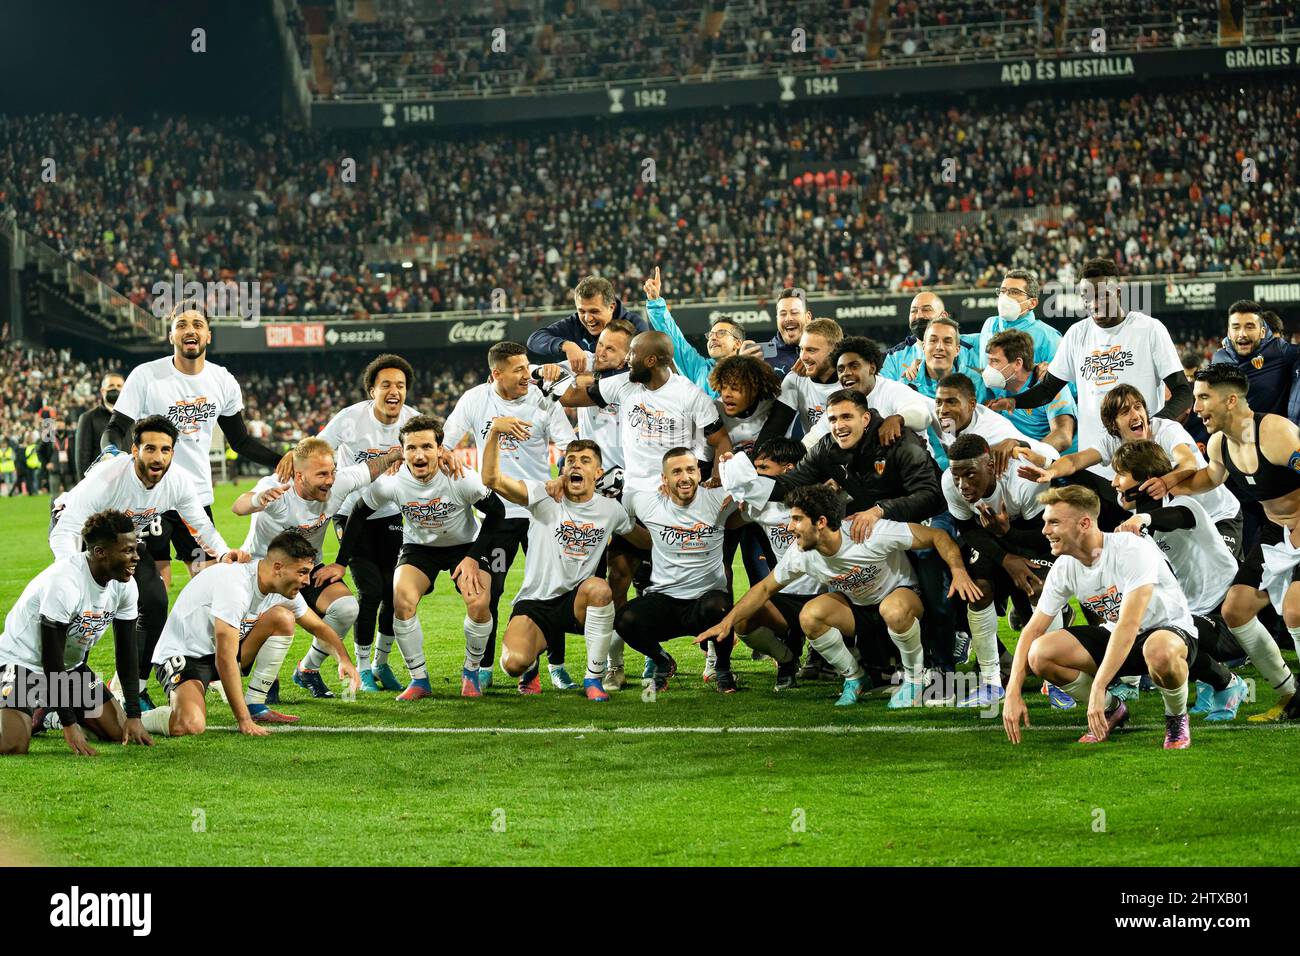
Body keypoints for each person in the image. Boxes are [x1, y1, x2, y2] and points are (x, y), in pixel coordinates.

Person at [696, 483, 981, 708]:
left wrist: (958, 571)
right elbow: (764, 588)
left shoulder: (870, 534)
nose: (789, 526)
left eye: (796, 519)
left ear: (820, 522)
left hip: (901, 598)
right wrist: (727, 623)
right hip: (858, 608)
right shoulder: (801, 554)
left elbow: (936, 536)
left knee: (893, 609)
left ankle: (916, 680)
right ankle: (855, 678)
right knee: (810, 616)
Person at [50, 415, 245, 710]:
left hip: (124, 541)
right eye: (150, 449)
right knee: (82, 613)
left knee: (154, 601)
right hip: (79, 533)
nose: (158, 457)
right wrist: (72, 572)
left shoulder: (177, 481)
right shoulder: (107, 479)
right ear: (134, 450)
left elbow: (200, 526)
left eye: (165, 450)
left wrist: (222, 552)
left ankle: (135, 690)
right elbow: (66, 529)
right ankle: (58, 700)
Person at [1001, 485, 1198, 751]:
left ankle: (1176, 717)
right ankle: (1111, 710)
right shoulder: (1065, 567)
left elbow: (1130, 624)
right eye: (1046, 522)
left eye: (1054, 522)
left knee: (1159, 650)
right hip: (1118, 636)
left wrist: (1099, 686)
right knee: (1040, 653)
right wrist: (1013, 690)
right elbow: (1033, 630)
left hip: (1167, 633)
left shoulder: (1131, 549)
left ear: (1084, 523)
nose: (1045, 531)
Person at [103, 304, 285, 586]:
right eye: (182, 325)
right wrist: (111, 453)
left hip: (196, 500)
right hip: (153, 499)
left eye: (198, 324)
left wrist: (282, 460)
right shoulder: (146, 376)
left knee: (208, 585)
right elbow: (115, 428)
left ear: (208, 335)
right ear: (172, 335)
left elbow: (241, 441)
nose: (190, 330)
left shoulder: (222, 380)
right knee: (152, 591)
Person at [275, 354, 419, 693]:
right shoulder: (350, 418)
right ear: (372, 390)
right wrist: (292, 455)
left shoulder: (412, 422)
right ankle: (364, 666)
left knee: (392, 592)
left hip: (390, 515)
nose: (394, 390)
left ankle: (382, 664)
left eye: (400, 385)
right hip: (350, 514)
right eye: (386, 384)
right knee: (369, 590)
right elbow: (318, 447)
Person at [444, 341, 579, 691]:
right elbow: (444, 443)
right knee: (492, 589)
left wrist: (564, 476)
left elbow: (569, 444)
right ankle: (486, 665)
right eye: (518, 369)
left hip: (539, 510)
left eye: (528, 366)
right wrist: (451, 457)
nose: (526, 374)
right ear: (496, 374)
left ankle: (554, 666)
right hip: (498, 511)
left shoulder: (542, 397)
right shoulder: (475, 400)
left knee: (548, 590)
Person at [336, 415, 500, 699]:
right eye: (411, 448)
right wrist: (340, 562)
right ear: (403, 452)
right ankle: (419, 680)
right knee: (402, 602)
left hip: (464, 546)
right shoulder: (392, 483)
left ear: (440, 449)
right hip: (420, 548)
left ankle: (471, 671)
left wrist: (473, 557)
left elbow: (497, 512)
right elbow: (359, 512)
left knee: (479, 602)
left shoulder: (462, 478)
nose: (419, 454)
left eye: (426, 446)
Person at [1174, 364, 1300, 721]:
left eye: (1202, 398)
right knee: (1236, 609)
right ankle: (1290, 694)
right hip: (1276, 532)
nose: (1196, 408)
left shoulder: (1276, 434)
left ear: (1231, 400)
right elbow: (1210, 478)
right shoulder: (1219, 443)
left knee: (1295, 609)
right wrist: (1167, 484)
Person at [987, 257, 1191, 477]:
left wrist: (1154, 427)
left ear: (1119, 291)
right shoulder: (1076, 333)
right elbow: (1047, 390)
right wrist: (1015, 402)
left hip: (1144, 462)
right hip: (1093, 466)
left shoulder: (1149, 329)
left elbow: (1182, 391)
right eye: (1087, 297)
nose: (1094, 304)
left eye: (1103, 295)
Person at [482, 428, 643, 701]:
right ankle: (532, 662)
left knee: (600, 589)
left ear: (598, 473)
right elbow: (491, 479)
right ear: (563, 468)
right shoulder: (543, 496)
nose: (576, 464)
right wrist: (496, 431)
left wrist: (655, 511)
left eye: (585, 460)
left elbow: (642, 540)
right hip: (536, 602)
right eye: (570, 460)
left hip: (576, 602)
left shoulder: (610, 508)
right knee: (512, 664)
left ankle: (594, 677)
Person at [234, 438, 400, 698]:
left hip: (308, 568)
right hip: (265, 570)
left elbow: (371, 468)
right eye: (322, 474)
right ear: (299, 476)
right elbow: (238, 506)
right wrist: (258, 499)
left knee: (346, 609)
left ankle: (307, 669)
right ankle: (266, 680)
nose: (330, 479)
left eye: (332, 471)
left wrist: (397, 454)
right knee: (273, 624)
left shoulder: (339, 482)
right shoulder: (278, 488)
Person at [152, 530, 360, 735]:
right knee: (190, 725)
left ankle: (256, 705)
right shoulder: (236, 586)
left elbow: (319, 627)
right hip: (185, 655)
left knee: (283, 618)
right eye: (302, 572)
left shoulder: (283, 589)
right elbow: (225, 659)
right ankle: (131, 720)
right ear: (278, 567)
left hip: (222, 653)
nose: (306, 581)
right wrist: (243, 721)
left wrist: (344, 659)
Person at [0, 510, 163, 756]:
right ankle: (49, 710)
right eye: (127, 550)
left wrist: (134, 715)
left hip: (69, 668)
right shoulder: (65, 583)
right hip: (23, 664)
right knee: (13, 744)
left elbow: (127, 652)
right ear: (100, 553)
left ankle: (46, 714)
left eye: (135, 548)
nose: (136, 557)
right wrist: (69, 723)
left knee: (121, 732)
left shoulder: (125, 585)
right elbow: (51, 657)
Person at [1109, 441, 1249, 722]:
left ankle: (1227, 683)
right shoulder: (1137, 526)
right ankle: (1212, 681)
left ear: (1145, 480)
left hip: (1229, 616)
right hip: (1197, 615)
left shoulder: (1185, 505)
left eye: (1121, 474)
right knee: (1152, 629)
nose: (1114, 482)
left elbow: (1174, 518)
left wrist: (1144, 518)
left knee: (1167, 632)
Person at [1019, 384, 1242, 553]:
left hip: (1218, 514)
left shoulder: (1166, 430)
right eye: (1125, 412)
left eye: (1138, 407)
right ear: (1113, 423)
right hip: (1180, 522)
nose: (1136, 415)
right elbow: (1076, 461)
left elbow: (1188, 463)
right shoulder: (1112, 440)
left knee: (1224, 579)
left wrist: (1166, 482)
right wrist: (1050, 469)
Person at [943, 434, 1056, 707]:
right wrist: (1006, 559)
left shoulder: (1023, 480)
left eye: (970, 475)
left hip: (1031, 535)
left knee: (1039, 589)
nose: (963, 485)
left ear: (991, 467)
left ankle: (1056, 682)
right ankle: (992, 683)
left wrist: (1012, 541)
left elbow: (1042, 537)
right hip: (992, 541)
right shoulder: (950, 481)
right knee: (977, 592)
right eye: (957, 476)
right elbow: (968, 529)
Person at [615, 448, 739, 692]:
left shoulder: (719, 499)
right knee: (624, 619)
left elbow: (759, 493)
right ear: (664, 479)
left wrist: (738, 472)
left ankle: (723, 669)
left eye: (691, 470)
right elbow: (621, 514)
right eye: (677, 472)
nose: (685, 477)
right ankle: (662, 660)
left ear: (699, 473)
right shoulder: (645, 501)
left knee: (720, 605)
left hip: (706, 603)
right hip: (665, 600)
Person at [717, 438, 821, 691]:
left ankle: (848, 665)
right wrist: (735, 499)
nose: (757, 474)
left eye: (763, 468)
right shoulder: (760, 506)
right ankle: (786, 660)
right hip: (784, 595)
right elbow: (730, 523)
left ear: (788, 470)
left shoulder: (821, 498)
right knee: (743, 621)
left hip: (827, 593)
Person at [642, 266, 758, 397]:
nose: (713, 338)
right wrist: (655, 302)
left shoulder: (751, 372)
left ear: (737, 343)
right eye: (711, 334)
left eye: (721, 333)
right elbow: (675, 339)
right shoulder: (698, 369)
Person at [801, 336, 934, 449]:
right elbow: (812, 440)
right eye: (841, 369)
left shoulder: (893, 389)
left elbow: (923, 416)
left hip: (913, 471)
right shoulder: (840, 402)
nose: (846, 373)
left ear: (872, 368)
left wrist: (897, 419)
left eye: (854, 366)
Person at [929, 374, 1058, 472]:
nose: (943, 410)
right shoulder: (932, 413)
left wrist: (1019, 443)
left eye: (952, 402)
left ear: (971, 404)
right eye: (939, 402)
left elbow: (1053, 457)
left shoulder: (995, 434)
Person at [981, 330, 1077, 454]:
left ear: (1017, 363)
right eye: (989, 361)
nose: (988, 368)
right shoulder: (995, 386)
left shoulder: (1048, 385)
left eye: (995, 361)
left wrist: (1023, 455)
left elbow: (1063, 436)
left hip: (1063, 466)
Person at [524, 275, 646, 372]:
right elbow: (534, 339)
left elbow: (643, 366)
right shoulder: (575, 323)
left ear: (611, 307)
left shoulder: (635, 326)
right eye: (581, 311)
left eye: (594, 311)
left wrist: (595, 380)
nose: (588, 319)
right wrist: (566, 345)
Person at [1210, 300, 1299, 417]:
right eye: (1236, 327)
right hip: (1233, 434)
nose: (1242, 334)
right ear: (1229, 332)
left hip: (1271, 432)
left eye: (1249, 327)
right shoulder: (1219, 358)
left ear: (1262, 332)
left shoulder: (1279, 350)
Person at [881, 291, 979, 381]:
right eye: (914, 311)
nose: (919, 316)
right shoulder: (892, 358)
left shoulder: (976, 344)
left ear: (943, 316)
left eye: (926, 309)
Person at [976, 268, 1063, 367]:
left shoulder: (1048, 338)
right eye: (1002, 291)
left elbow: (1065, 380)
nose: (1005, 297)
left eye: (1014, 292)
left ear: (1032, 303)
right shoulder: (990, 323)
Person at [777, 319, 844, 434]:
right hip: (813, 450)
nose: (803, 357)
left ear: (835, 350)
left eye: (811, 350)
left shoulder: (854, 380)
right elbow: (775, 427)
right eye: (801, 349)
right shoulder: (796, 379)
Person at [74, 371, 124, 480]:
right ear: (102, 391)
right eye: (111, 385)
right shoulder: (88, 418)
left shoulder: (133, 417)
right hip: (100, 480)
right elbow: (82, 456)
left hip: (127, 480)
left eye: (119, 386)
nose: (115, 389)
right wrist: (84, 485)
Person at [38, 418, 76, 501]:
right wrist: (46, 463)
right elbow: (39, 451)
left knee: (71, 497)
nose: (59, 427)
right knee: (55, 497)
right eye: (57, 425)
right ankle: (54, 514)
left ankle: (69, 514)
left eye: (61, 425)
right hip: (54, 471)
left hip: (68, 471)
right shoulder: (49, 436)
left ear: (65, 425)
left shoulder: (72, 436)